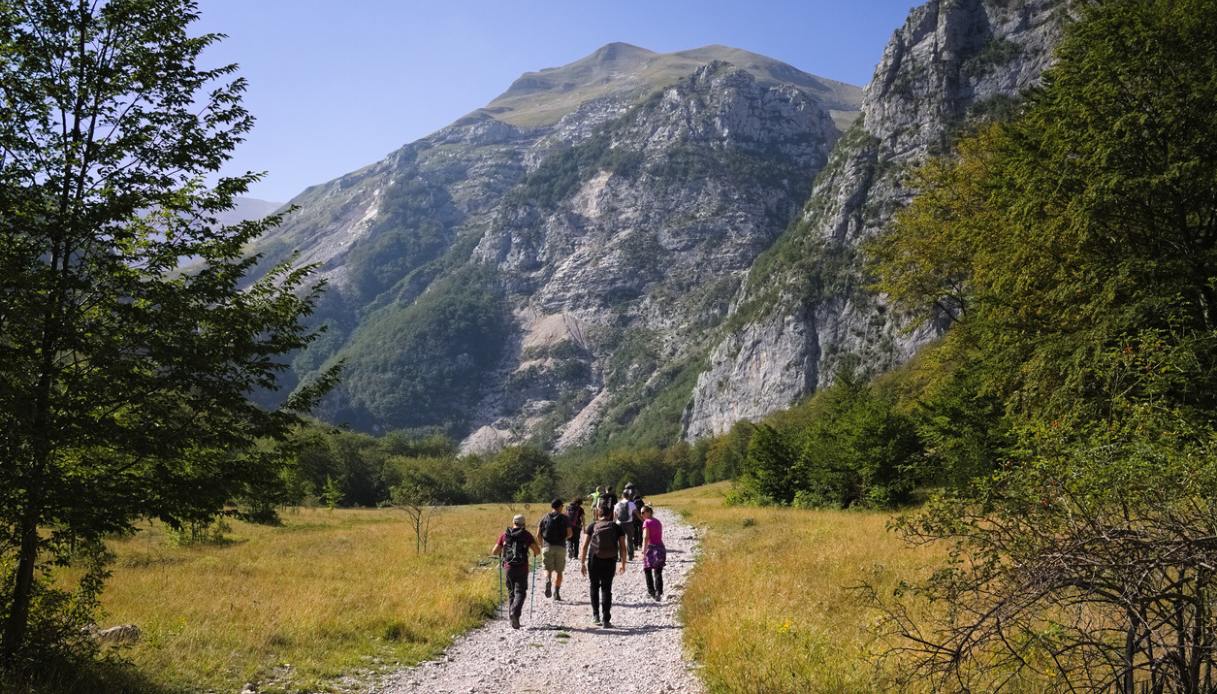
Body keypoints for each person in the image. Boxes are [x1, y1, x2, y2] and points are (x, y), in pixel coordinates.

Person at [580, 501, 627, 628]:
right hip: (610, 559)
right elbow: (623, 548)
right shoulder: (616, 527)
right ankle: (606, 619)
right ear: (611, 514)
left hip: (594, 559)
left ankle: (595, 616)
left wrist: (582, 563)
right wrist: (623, 563)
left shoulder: (592, 526)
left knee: (594, 586)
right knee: (607, 588)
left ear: (597, 514)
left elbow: (584, 546)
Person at [491, 513, 540, 629]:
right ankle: (515, 613)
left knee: (511, 592)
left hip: (508, 567)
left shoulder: (505, 535)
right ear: (524, 524)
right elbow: (537, 551)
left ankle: (512, 619)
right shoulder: (527, 535)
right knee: (521, 592)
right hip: (522, 568)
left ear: (513, 523)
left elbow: (494, 552)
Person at [537, 498, 572, 600]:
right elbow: (570, 534)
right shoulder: (565, 518)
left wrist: (542, 545)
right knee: (559, 572)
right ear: (560, 506)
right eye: (562, 506)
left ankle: (548, 579)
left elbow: (538, 535)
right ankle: (556, 592)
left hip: (547, 546)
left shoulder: (544, 518)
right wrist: (563, 538)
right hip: (560, 547)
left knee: (547, 569)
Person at [640, 505, 666, 601]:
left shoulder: (646, 522)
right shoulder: (658, 521)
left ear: (649, 512)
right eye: (641, 513)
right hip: (660, 547)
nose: (642, 514)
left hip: (651, 548)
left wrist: (643, 550)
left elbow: (645, 537)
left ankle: (652, 592)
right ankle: (659, 591)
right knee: (658, 571)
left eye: (643, 512)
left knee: (647, 569)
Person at [613, 490, 638, 561]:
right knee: (630, 540)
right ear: (629, 496)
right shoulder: (631, 504)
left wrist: (613, 524)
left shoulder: (617, 504)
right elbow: (637, 513)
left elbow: (615, 516)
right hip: (629, 524)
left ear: (622, 496)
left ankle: (620, 557)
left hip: (619, 523)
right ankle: (630, 556)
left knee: (619, 541)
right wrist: (643, 520)